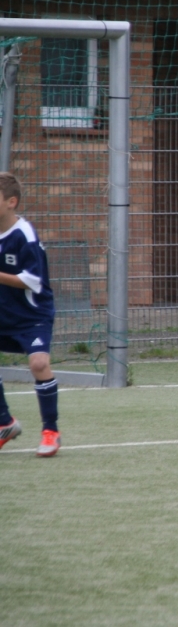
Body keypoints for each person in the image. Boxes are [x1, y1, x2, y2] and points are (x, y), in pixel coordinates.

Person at [0, 172, 61, 457]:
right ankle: (5, 423)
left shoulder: (24, 234)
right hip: (3, 314)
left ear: (11, 202)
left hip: (31, 315)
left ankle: (50, 431)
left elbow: (32, 281)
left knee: (38, 363)